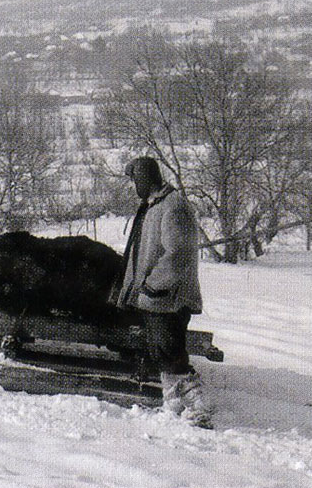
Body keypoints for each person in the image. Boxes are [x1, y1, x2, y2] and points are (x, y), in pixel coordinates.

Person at [111, 157, 213, 428]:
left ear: (147, 179)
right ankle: (174, 405)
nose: (135, 187)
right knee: (162, 352)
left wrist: (153, 284)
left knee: (170, 352)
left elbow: (178, 254)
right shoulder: (155, 205)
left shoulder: (173, 206)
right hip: (158, 297)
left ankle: (198, 408)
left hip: (168, 297)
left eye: (136, 181)